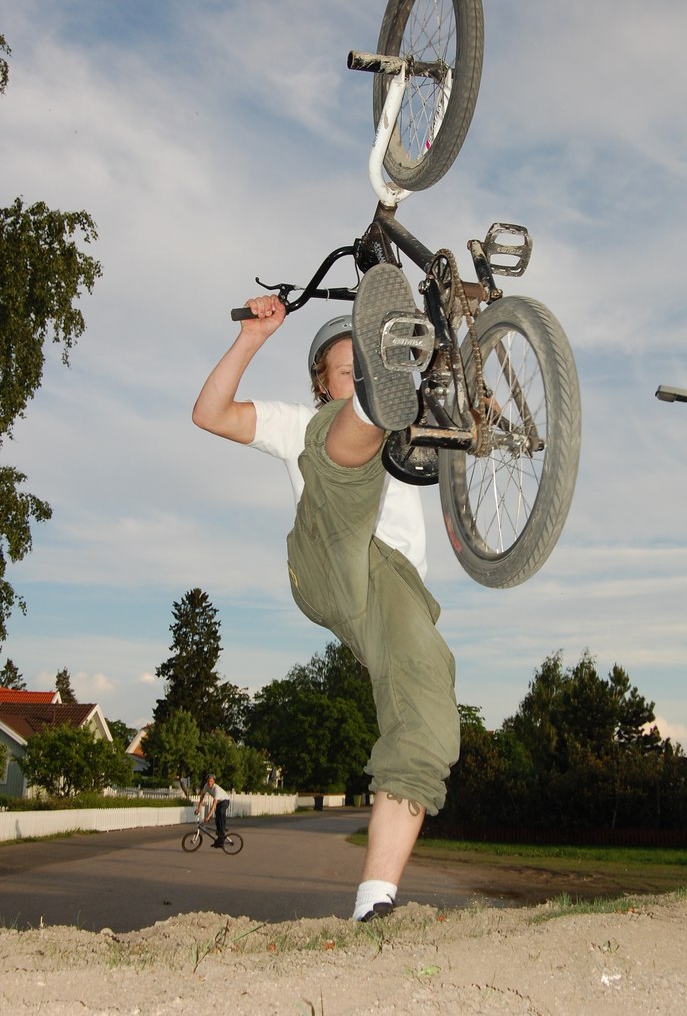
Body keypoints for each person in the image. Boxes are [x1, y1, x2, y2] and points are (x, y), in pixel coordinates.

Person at [192, 264, 460, 919]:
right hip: (327, 559)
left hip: (393, 588)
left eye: (373, 368)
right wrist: (253, 337)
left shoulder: (418, 424)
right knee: (341, 462)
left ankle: (376, 898)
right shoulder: (297, 420)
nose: (361, 371)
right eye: (353, 369)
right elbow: (210, 413)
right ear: (323, 381)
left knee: (428, 702)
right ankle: (367, 410)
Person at [195, 773, 230, 847]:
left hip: (225, 800)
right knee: (217, 818)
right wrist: (198, 808)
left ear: (214, 782)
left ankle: (223, 829)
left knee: (221, 812)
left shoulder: (216, 789)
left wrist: (208, 816)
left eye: (211, 781)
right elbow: (202, 797)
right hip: (219, 802)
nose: (209, 783)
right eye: (208, 781)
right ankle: (218, 841)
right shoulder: (206, 786)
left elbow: (214, 805)